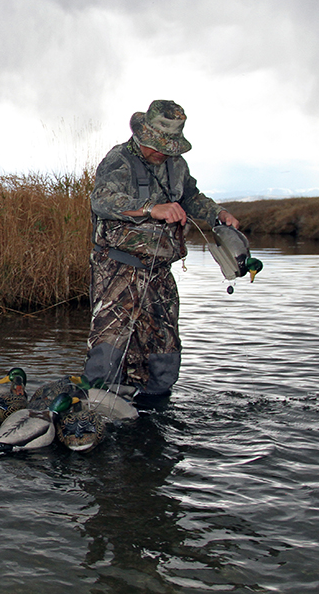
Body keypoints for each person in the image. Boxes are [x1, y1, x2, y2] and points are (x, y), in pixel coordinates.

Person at [85, 99, 239, 399]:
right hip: (118, 269)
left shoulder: (176, 164)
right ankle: (94, 413)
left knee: (164, 353)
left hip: (160, 272)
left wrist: (217, 214)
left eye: (169, 146)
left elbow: (192, 197)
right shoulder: (119, 160)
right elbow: (101, 200)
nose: (162, 151)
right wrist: (150, 208)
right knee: (108, 351)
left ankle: (154, 419)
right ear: (142, 134)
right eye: (157, 144)